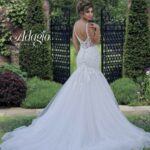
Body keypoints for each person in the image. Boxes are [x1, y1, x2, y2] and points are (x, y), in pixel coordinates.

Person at [1, 0, 150, 150]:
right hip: (90, 54)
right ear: (81, 12)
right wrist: (97, 29)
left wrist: (81, 54)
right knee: (94, 86)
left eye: (92, 11)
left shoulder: (76, 25)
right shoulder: (90, 26)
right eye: (88, 11)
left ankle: (82, 120)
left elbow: (75, 43)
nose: (91, 14)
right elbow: (95, 41)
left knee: (80, 86)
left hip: (82, 56)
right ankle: (92, 123)